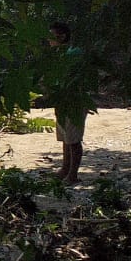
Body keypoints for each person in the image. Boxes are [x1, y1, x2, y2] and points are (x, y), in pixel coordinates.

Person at [47, 22, 88, 184]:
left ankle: (73, 174)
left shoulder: (73, 53)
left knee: (73, 138)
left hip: (74, 100)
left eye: (51, 36)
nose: (49, 40)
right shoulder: (59, 55)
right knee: (65, 137)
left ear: (62, 37)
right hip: (62, 100)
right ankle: (65, 169)